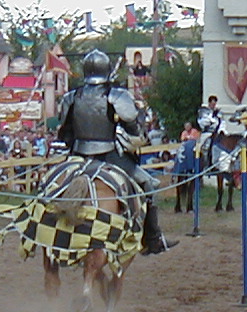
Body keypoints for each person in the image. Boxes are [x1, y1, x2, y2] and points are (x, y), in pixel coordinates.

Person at [56, 48, 172, 255]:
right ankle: (152, 239)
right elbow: (134, 129)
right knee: (149, 184)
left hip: (77, 156)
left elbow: (64, 134)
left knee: (52, 185)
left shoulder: (71, 97)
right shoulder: (116, 95)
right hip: (109, 155)